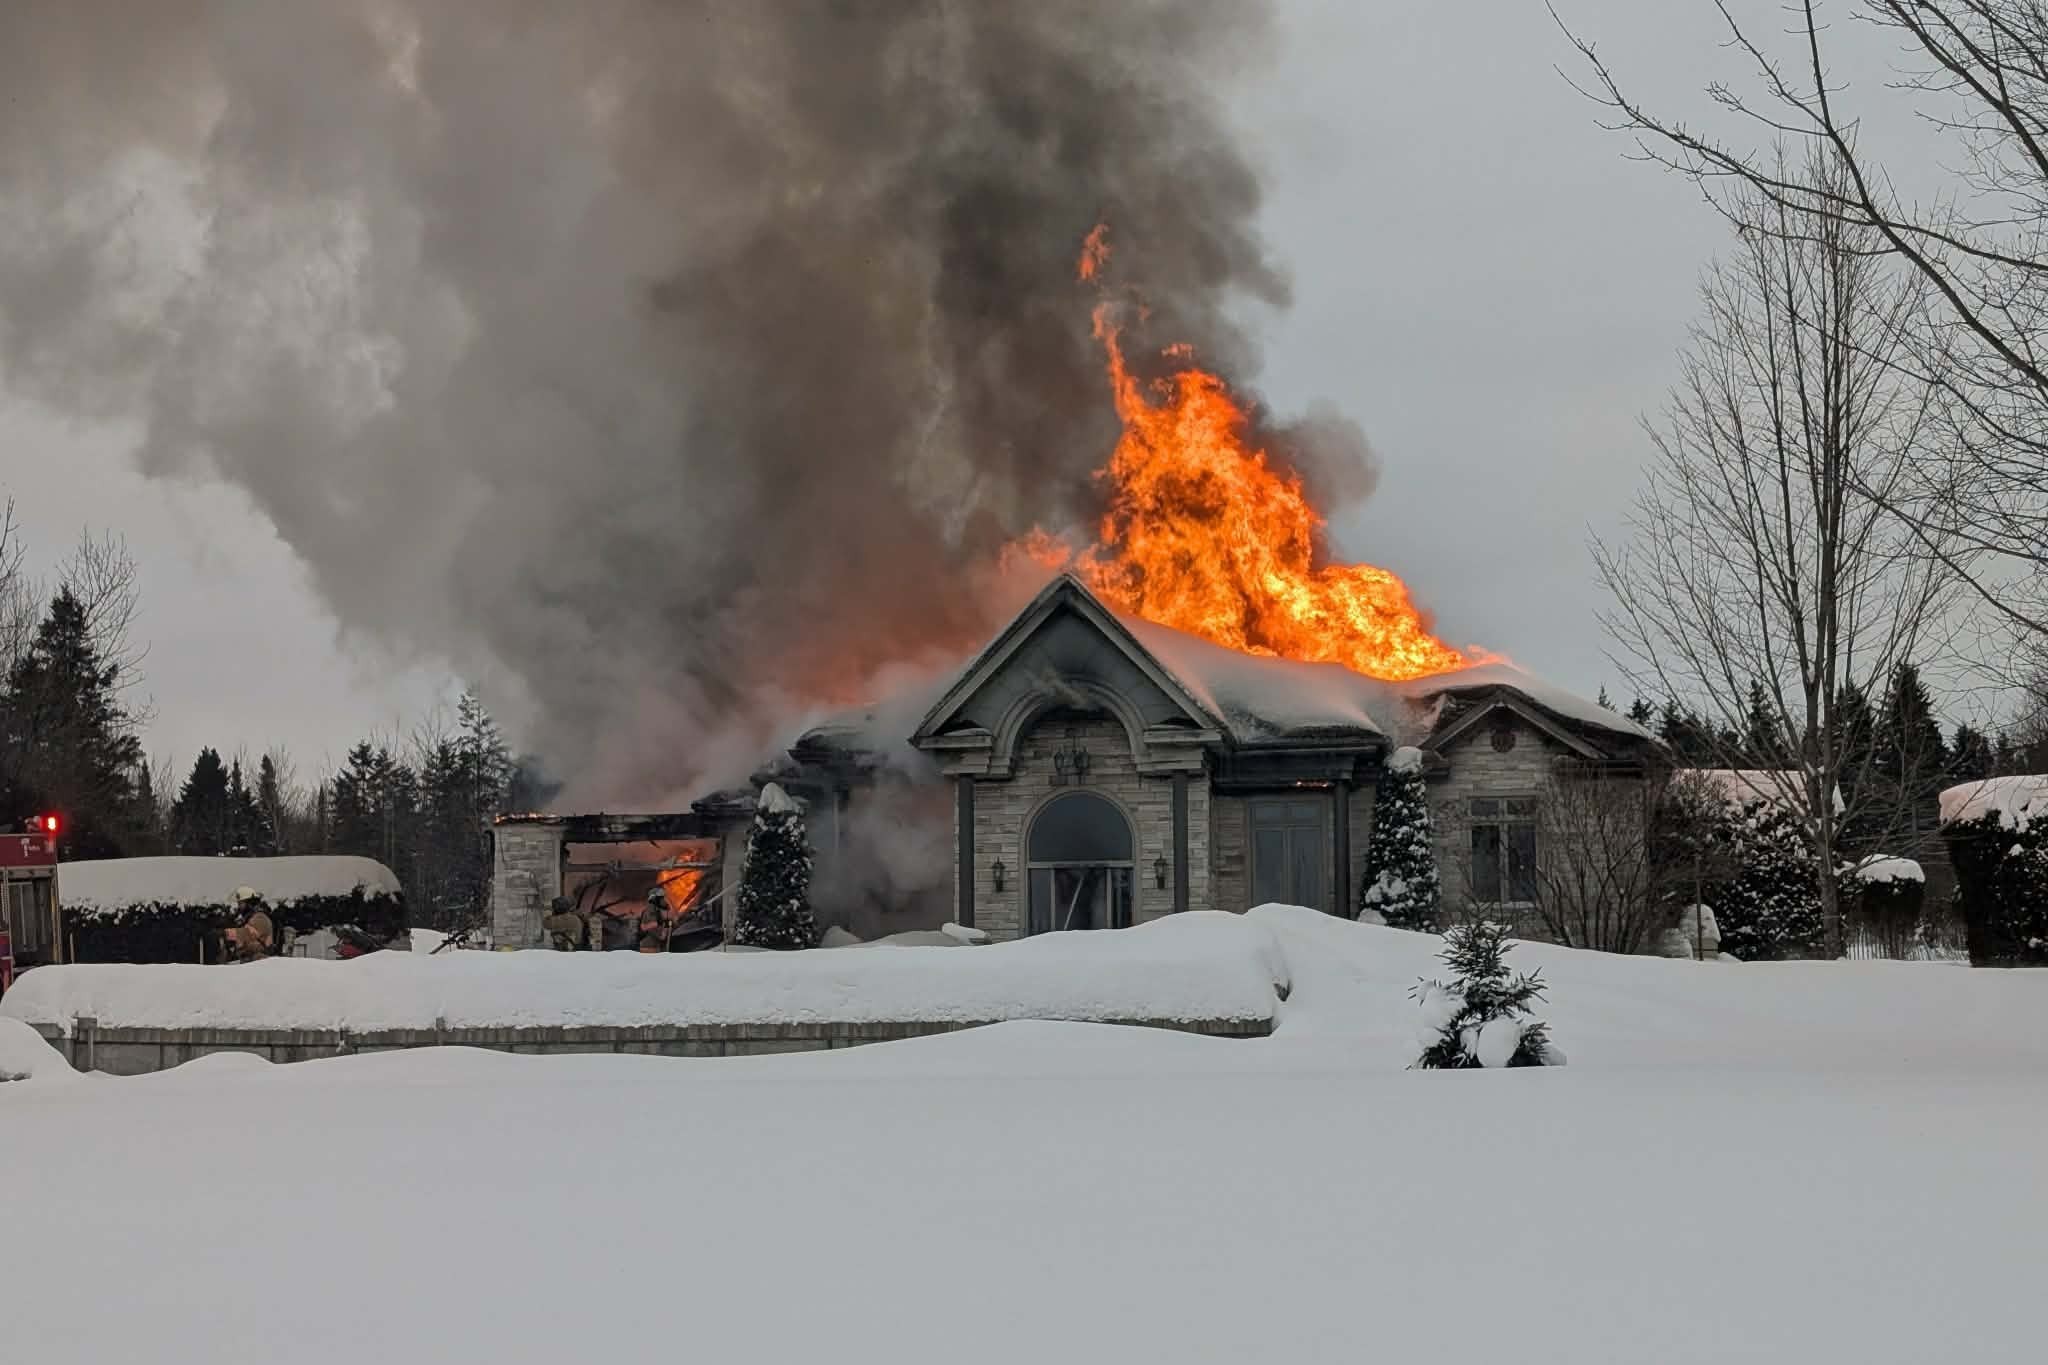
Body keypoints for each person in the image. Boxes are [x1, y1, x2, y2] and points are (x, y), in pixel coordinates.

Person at [225, 886, 275, 962]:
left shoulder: (260, 917)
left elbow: (247, 933)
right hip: (249, 960)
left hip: (260, 961)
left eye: (241, 903)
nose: (239, 907)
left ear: (249, 903)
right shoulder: (248, 918)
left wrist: (226, 933)